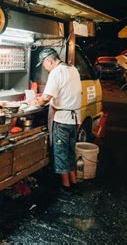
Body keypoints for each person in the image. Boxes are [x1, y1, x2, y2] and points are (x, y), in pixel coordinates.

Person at [34, 48, 82, 195]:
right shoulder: (72, 69)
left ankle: (66, 187)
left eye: (44, 64)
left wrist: (36, 100)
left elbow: (46, 98)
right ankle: (74, 183)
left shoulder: (56, 72)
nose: (45, 68)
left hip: (62, 120)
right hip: (75, 119)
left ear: (49, 60)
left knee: (61, 153)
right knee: (70, 152)